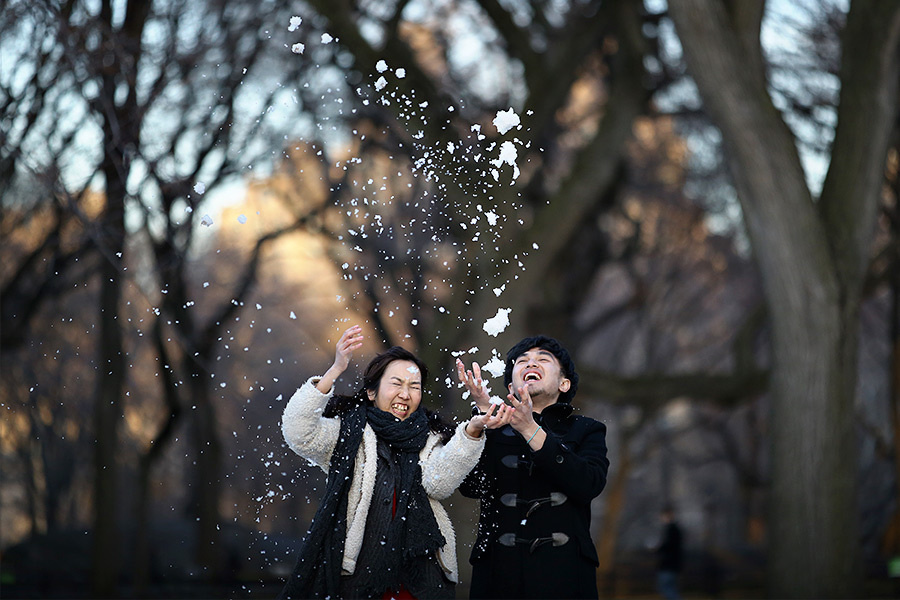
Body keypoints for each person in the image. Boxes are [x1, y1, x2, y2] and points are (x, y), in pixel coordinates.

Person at [278, 325, 513, 600]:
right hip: (355, 576)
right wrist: (335, 370)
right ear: (371, 392)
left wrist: (472, 430)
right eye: (396, 384)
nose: (405, 394)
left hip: (421, 579)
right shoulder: (347, 433)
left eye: (414, 386)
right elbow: (299, 433)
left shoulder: (431, 436)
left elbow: (438, 483)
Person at [456, 335, 610, 599]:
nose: (531, 363)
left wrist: (530, 430)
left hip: (567, 576)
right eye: (522, 361)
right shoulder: (491, 429)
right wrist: (479, 419)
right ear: (510, 385)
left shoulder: (587, 429)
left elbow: (588, 484)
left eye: (543, 359)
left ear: (564, 383)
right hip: (498, 576)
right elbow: (469, 486)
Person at [656, 505, 683, 600]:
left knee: (666, 588)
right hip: (672, 565)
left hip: (668, 565)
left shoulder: (671, 530)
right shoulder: (673, 529)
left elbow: (669, 547)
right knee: (669, 589)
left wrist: (659, 549)